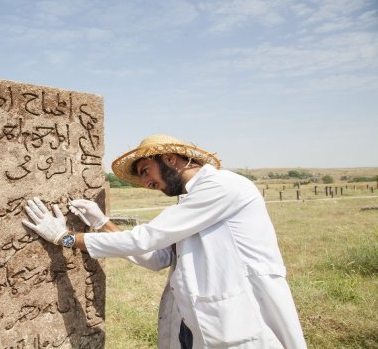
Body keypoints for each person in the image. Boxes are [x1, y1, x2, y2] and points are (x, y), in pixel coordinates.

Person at [23, 134, 307, 349]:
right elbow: (158, 257)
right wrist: (101, 223)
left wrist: (65, 238)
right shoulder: (193, 199)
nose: (146, 182)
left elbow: (146, 239)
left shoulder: (222, 186)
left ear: (170, 159)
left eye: (145, 171)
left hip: (239, 323)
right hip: (193, 322)